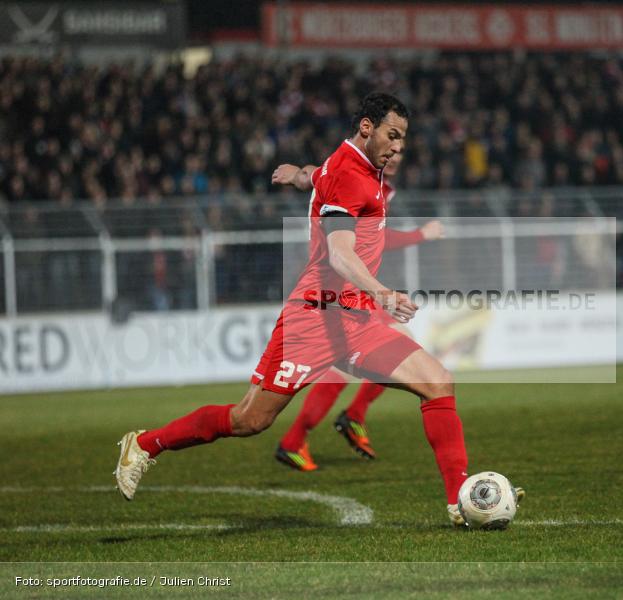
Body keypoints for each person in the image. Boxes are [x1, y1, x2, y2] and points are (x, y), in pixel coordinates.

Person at [114, 93, 512, 525]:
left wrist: (296, 175)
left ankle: (459, 501)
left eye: (404, 139)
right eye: (392, 136)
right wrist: (382, 292)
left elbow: (315, 175)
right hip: (314, 321)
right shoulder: (348, 175)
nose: (399, 147)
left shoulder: (351, 167)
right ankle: (144, 445)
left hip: (355, 320)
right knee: (249, 420)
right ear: (366, 128)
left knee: (437, 381)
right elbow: (340, 254)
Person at [269, 151, 444, 470]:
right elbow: (377, 235)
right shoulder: (360, 178)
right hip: (336, 288)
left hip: (349, 287)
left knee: (391, 344)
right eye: (388, 146)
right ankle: (334, 424)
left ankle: (308, 435)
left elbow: (316, 175)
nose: (394, 156)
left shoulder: (380, 186)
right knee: (389, 347)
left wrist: (299, 175)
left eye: (401, 150)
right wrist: (421, 234)